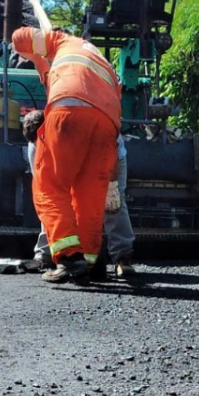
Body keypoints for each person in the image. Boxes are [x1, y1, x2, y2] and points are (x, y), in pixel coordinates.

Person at [11, 27, 122, 285]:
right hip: (108, 124)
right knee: (90, 196)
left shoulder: (59, 40)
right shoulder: (101, 60)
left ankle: (69, 258)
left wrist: (38, 58)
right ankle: (91, 262)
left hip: (70, 109)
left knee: (49, 185)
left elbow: (19, 38)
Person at [26, 133, 136, 278]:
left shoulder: (89, 130)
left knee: (113, 204)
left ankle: (122, 258)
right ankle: (46, 254)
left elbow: (111, 155)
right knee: (51, 201)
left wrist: (112, 186)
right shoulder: (36, 145)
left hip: (105, 157)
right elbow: (46, 191)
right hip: (73, 157)